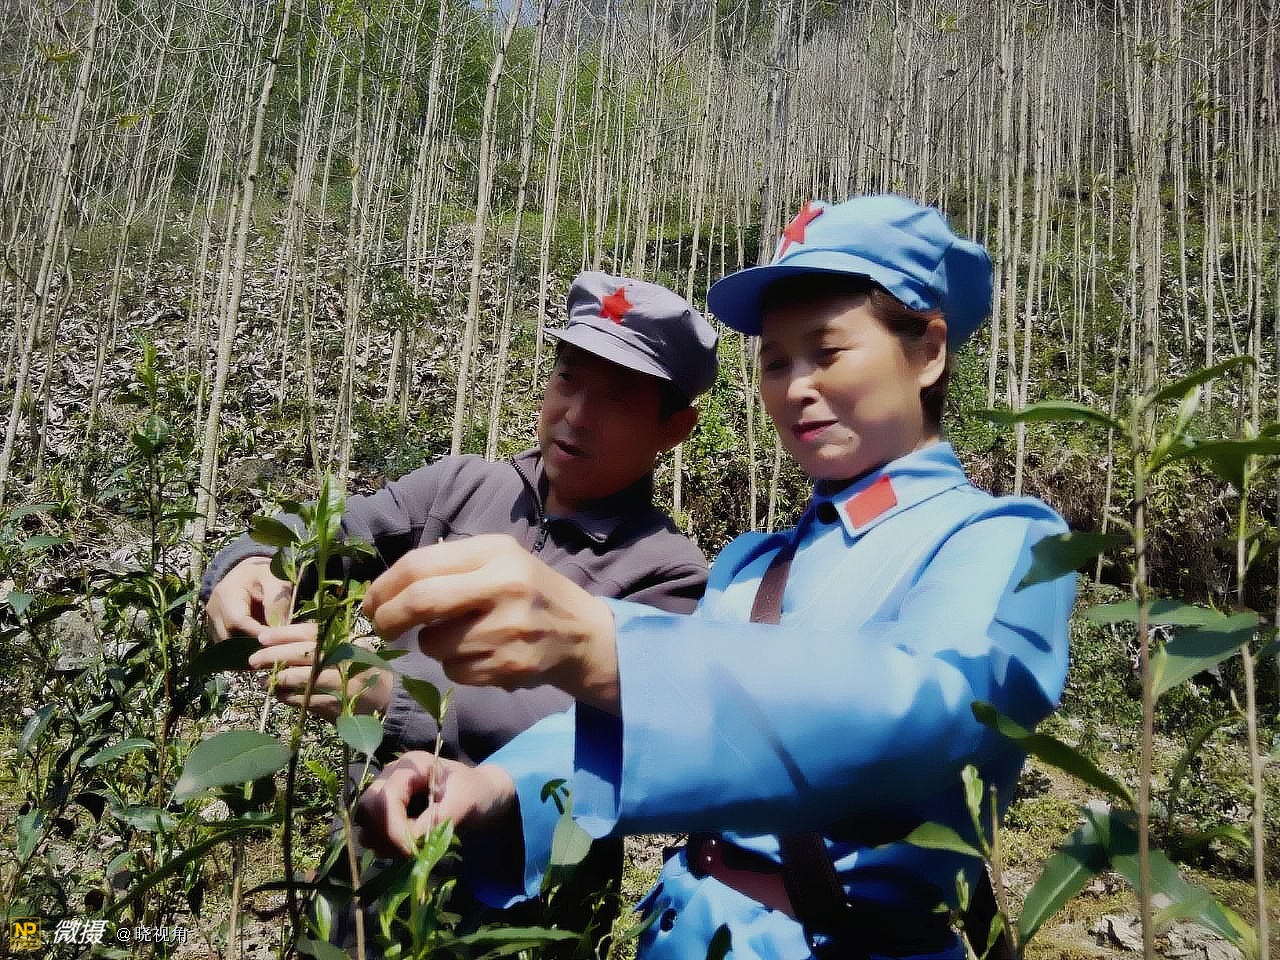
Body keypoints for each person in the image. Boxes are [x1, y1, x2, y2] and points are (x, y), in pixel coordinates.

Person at [352, 195, 1077, 959]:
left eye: (827, 352)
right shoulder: (754, 565)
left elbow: (927, 706)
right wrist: (490, 786)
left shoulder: (1005, 540)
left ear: (927, 352)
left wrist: (610, 647)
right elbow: (627, 725)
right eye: (775, 361)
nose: (795, 387)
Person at [200, 271, 720, 950]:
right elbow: (334, 532)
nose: (576, 414)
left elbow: (591, 731)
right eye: (567, 380)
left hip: (529, 895)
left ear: (674, 429)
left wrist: (389, 693)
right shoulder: (461, 487)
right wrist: (249, 565)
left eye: (616, 398)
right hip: (369, 855)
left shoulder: (668, 573)